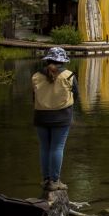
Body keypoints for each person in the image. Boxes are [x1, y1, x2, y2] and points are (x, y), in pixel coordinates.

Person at [31, 46, 79, 192]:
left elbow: (34, 98)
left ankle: (46, 180)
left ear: (48, 60)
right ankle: (55, 180)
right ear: (62, 61)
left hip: (41, 116)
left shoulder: (36, 76)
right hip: (62, 116)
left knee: (45, 148)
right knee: (57, 148)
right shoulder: (69, 75)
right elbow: (76, 96)